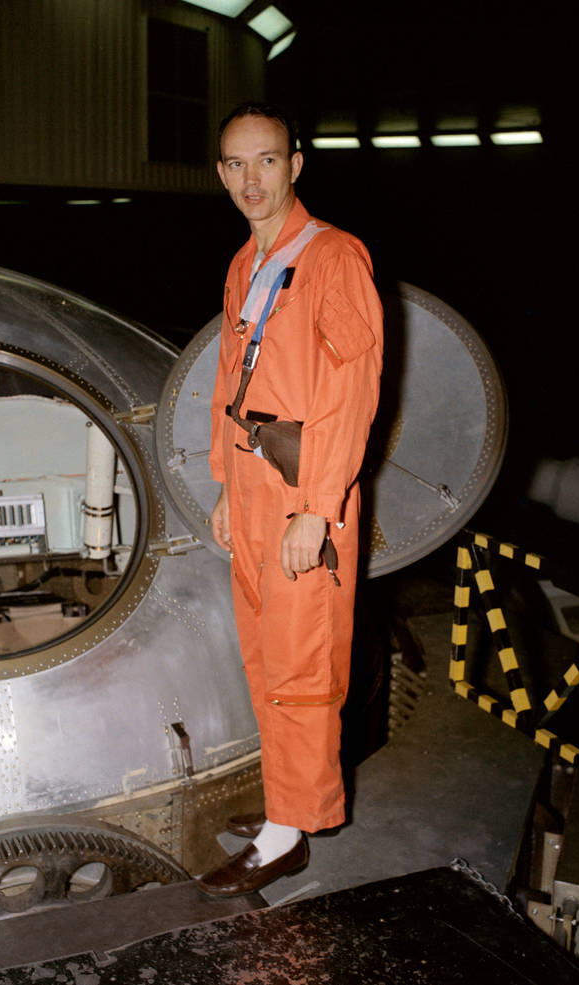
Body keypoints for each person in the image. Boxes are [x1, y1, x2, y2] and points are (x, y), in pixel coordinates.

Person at [199, 103, 384, 898]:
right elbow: (226, 380)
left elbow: (352, 387)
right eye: (236, 165)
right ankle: (288, 802)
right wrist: (219, 481)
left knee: (302, 659)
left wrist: (316, 505)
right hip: (248, 482)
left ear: (296, 164)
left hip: (303, 485)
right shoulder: (247, 261)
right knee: (262, 654)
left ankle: (289, 833)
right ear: (219, 173)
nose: (251, 179)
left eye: (266, 161)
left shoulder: (334, 257)